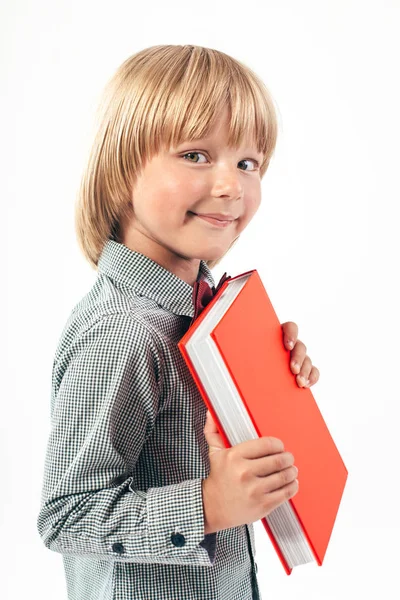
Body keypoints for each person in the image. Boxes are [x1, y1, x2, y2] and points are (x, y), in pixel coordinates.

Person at [37, 44, 320, 600]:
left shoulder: (208, 311)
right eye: (196, 155)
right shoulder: (124, 333)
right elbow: (66, 517)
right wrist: (209, 504)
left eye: (248, 163)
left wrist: (274, 387)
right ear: (121, 170)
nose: (232, 187)